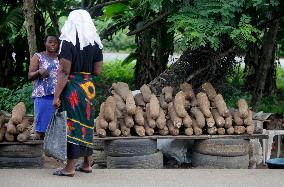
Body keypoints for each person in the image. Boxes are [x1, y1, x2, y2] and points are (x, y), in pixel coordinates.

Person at [53, 9, 103, 177]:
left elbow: (64, 72)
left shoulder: (68, 42)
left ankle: (70, 168)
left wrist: (56, 95)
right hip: (88, 87)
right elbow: (98, 70)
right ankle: (87, 163)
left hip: (73, 86)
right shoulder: (95, 43)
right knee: (87, 123)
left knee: (73, 124)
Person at [28, 35, 59, 140]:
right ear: (45, 43)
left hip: (57, 95)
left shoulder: (60, 57)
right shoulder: (38, 56)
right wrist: (39, 71)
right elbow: (30, 75)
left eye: (55, 42)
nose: (53, 44)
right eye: (50, 42)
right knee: (41, 129)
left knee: (55, 129)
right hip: (43, 95)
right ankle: (39, 152)